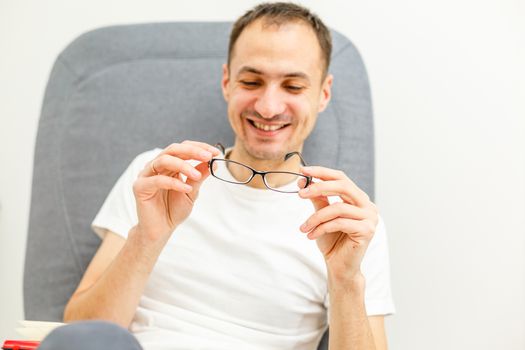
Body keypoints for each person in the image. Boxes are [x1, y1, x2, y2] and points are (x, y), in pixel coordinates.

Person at [39, 2, 394, 350]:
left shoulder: (349, 220)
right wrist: (146, 238)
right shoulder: (159, 176)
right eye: (251, 81)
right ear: (227, 82)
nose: (268, 107)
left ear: (323, 93)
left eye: (293, 87)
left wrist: (346, 280)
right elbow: (79, 333)